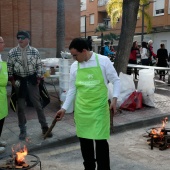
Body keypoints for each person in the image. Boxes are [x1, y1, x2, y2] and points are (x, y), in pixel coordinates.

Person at [55, 38, 120, 170]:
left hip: (99, 110)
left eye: (75, 55)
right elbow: (72, 89)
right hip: (82, 111)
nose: (73, 58)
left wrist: (114, 99)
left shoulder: (103, 61)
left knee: (101, 143)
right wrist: (64, 108)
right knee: (85, 143)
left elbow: (116, 80)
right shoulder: (74, 66)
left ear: (84, 51)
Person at [7, 30, 52, 140]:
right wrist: (12, 80)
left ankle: (44, 127)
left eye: (22, 37)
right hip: (19, 82)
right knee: (21, 107)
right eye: (18, 38)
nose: (20, 40)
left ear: (28, 39)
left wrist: (38, 78)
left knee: (38, 105)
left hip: (32, 81)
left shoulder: (34, 51)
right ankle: (22, 129)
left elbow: (39, 66)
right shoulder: (12, 52)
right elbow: (9, 67)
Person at [0, 37, 8, 153]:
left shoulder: (0, 57)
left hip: (2, 92)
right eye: (2, 42)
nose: (4, 44)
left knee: (1, 118)